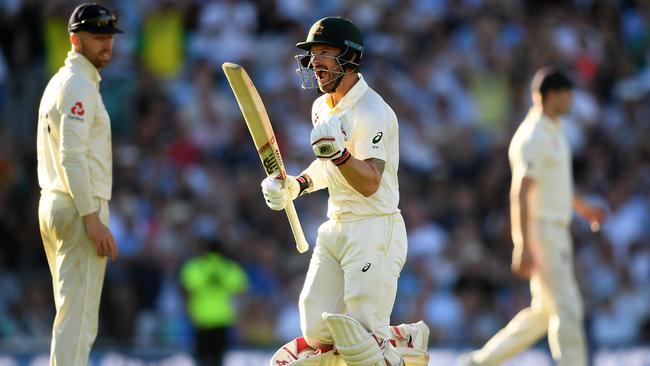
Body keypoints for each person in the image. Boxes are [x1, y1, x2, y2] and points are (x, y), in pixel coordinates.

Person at [262, 16, 428, 366]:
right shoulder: (322, 107)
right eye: (312, 54)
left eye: (324, 52)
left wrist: (338, 154)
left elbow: (369, 182)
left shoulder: (373, 112)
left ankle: (393, 345)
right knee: (316, 330)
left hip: (374, 227)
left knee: (362, 336)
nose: (315, 62)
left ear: (350, 57)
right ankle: (400, 342)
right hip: (336, 225)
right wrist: (297, 185)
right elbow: (326, 167)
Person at [462, 68, 607, 366]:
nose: (571, 102)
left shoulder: (553, 130)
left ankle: (478, 362)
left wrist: (583, 208)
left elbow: (555, 186)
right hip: (543, 231)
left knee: (544, 313)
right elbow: (521, 192)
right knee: (568, 307)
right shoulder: (533, 136)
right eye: (567, 96)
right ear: (551, 96)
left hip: (555, 229)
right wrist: (523, 244)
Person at [36, 3, 122, 365]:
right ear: (75, 40)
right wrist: (91, 216)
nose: (106, 45)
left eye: (108, 37)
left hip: (57, 201)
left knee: (70, 313)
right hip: (76, 206)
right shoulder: (78, 85)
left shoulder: (63, 81)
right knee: (79, 320)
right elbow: (72, 155)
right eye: (96, 37)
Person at [180, 239, 248, 366]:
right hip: (223, 319)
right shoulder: (229, 268)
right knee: (218, 360)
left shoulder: (196, 266)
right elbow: (242, 292)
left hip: (201, 319)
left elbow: (187, 291)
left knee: (202, 359)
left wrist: (189, 310)